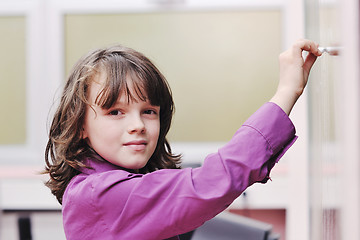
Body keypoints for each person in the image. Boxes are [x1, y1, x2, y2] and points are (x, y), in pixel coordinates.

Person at [44, 39, 322, 239]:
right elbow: (209, 185)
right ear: (80, 124)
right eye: (115, 111)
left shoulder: (112, 183)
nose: (138, 125)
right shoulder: (100, 194)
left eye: (149, 111)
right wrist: (287, 90)